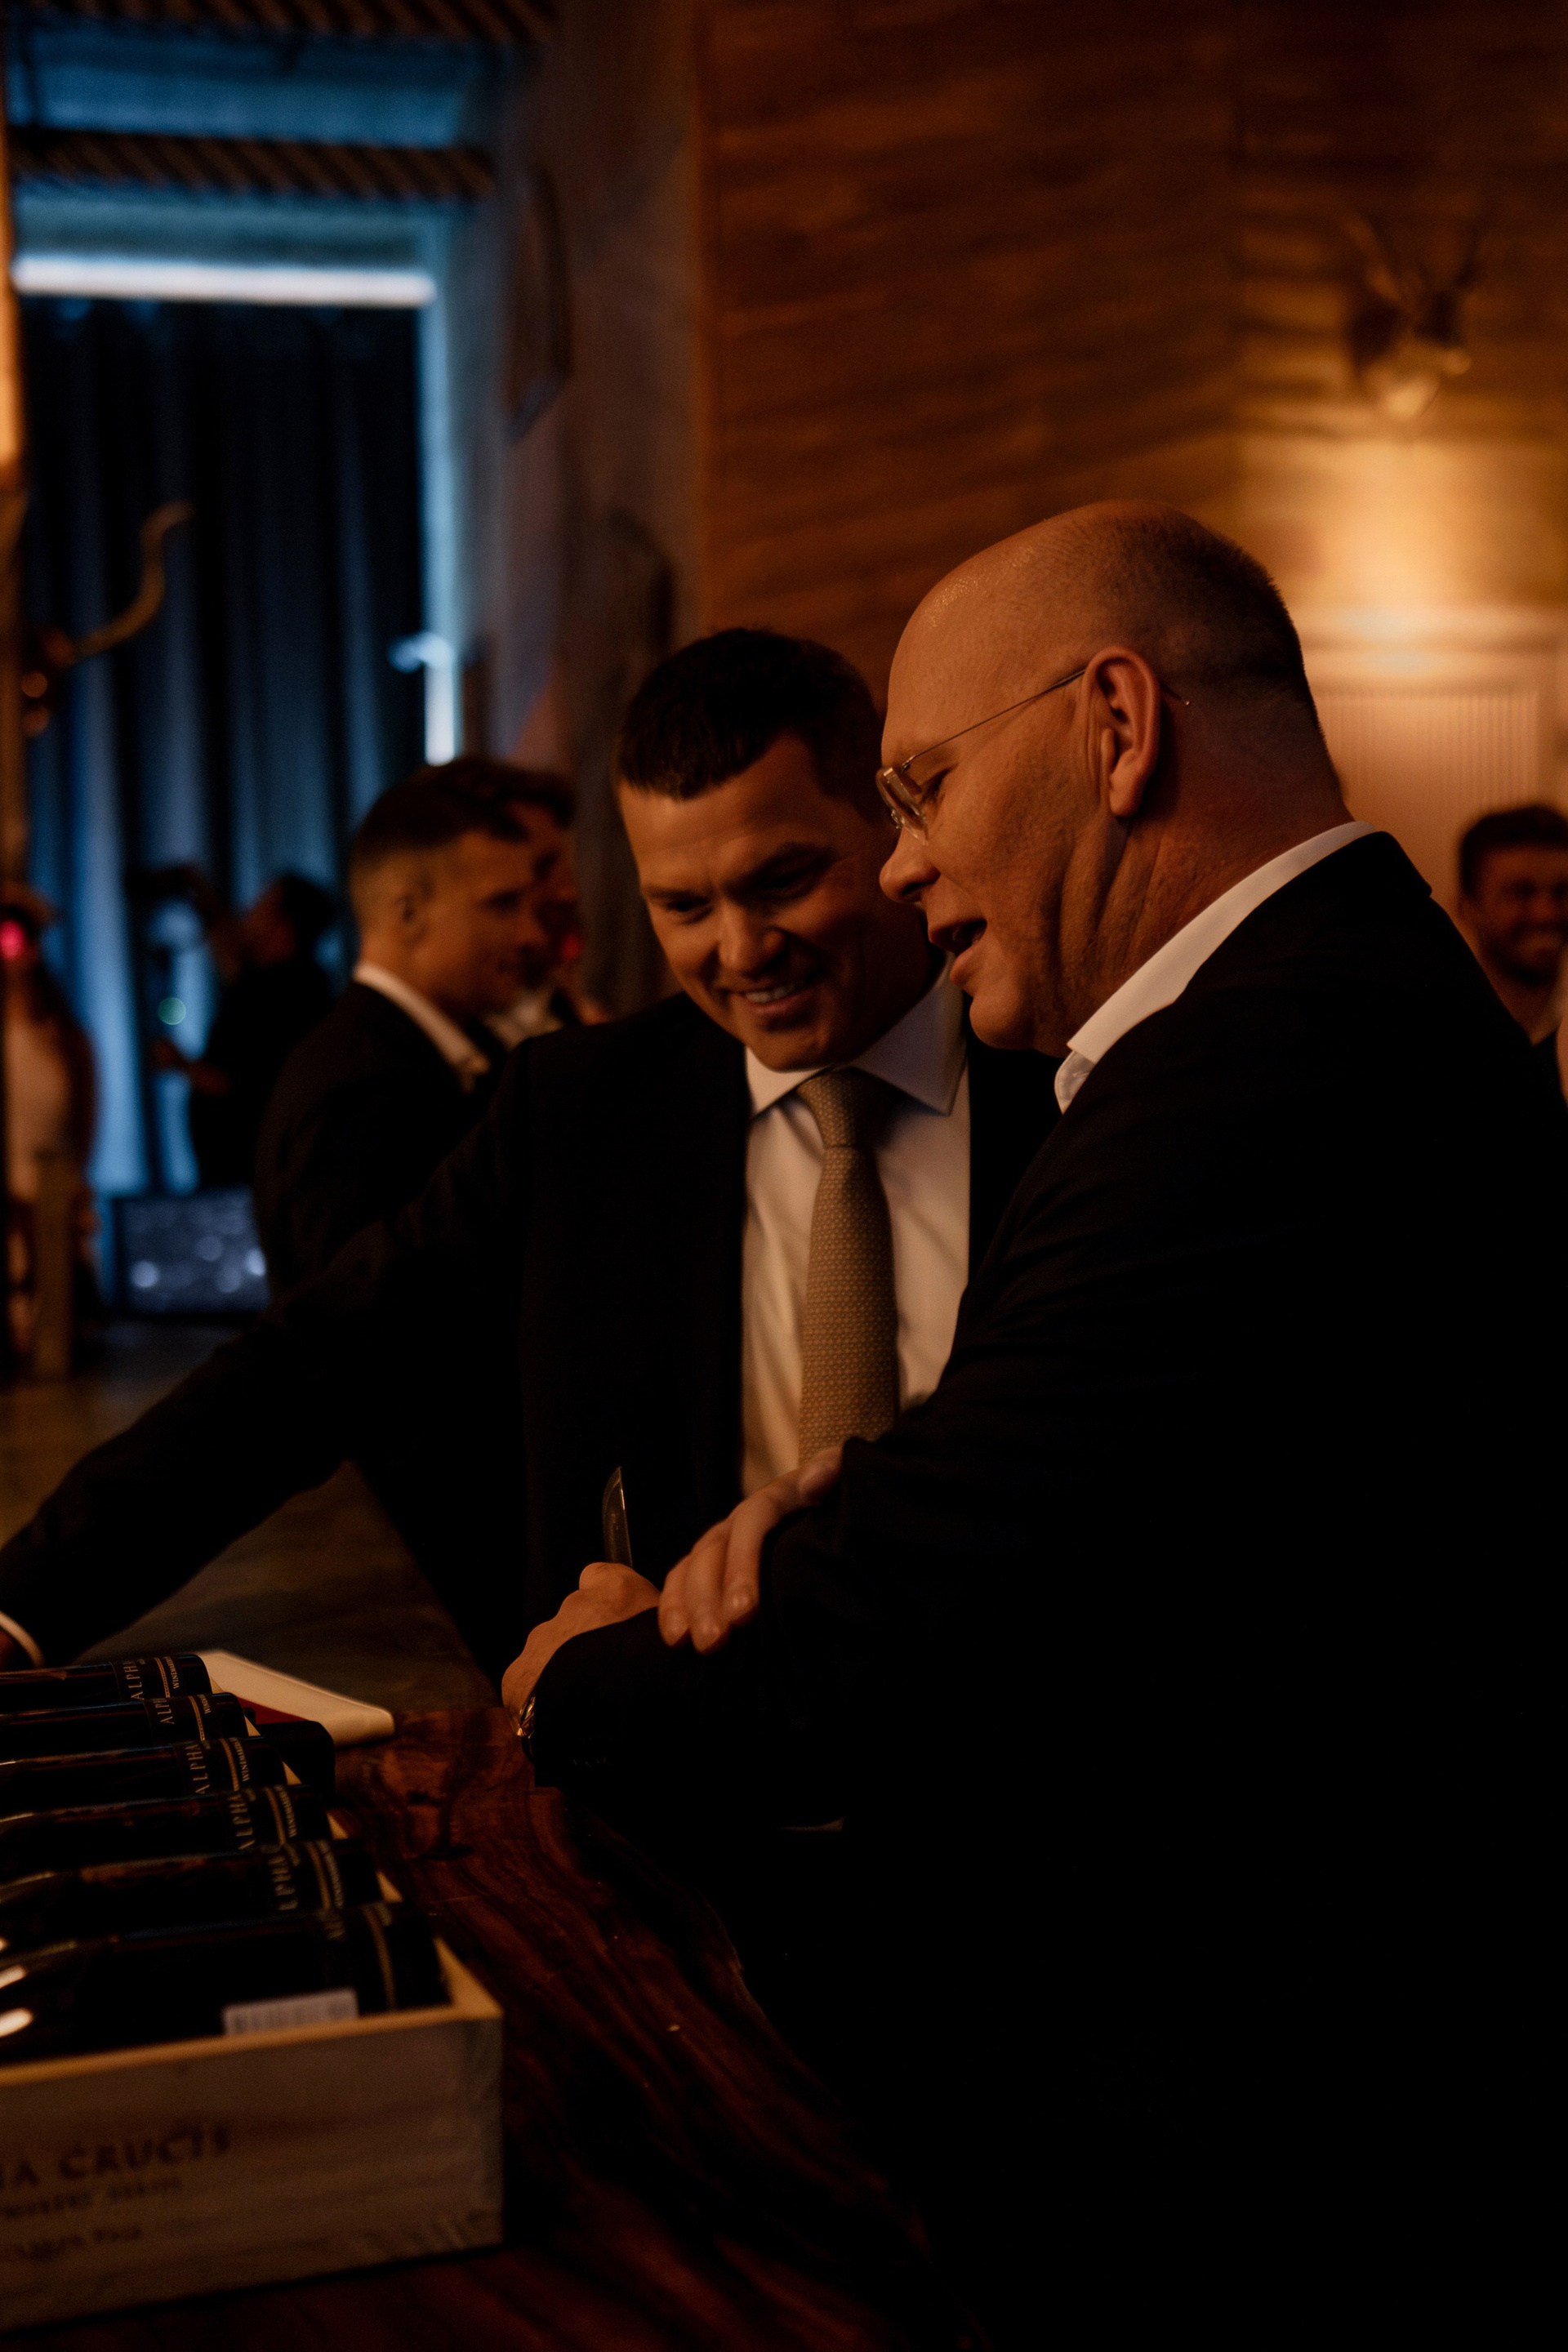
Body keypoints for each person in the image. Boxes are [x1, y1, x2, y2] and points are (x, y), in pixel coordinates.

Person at [497, 507, 1566, 2340]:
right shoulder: (1306, 1004)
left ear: (1117, 727)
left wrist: (578, 1676)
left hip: (1275, 2140)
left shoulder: (1250, 1069)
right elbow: (1090, 1503)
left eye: (919, 788)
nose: (901, 863)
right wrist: (876, 1501)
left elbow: (915, 1624)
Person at [0, 629, 1058, 1707]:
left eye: (781, 881)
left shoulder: (1070, 1081)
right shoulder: (579, 1110)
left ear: (891, 828)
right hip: (672, 1768)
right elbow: (309, 1367)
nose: (741, 952)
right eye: (684, 906)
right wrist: (23, 1604)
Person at [252, 772, 546, 1295]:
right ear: (407, 911)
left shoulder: (458, 1050)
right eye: (502, 904)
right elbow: (357, 1321)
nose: (530, 934)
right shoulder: (355, 1091)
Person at [150, 869, 336, 1187]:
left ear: (284, 924)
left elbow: (249, 1085)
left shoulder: (289, 994)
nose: (247, 913)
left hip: (250, 1175)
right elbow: (229, 950)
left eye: (262, 906)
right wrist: (197, 890)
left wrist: (183, 1065)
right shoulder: (271, 982)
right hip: (246, 1174)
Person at [1, 884, 99, 1361]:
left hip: (53, 1186)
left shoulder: (64, 1035)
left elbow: (85, 1115)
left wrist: (76, 1183)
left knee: (54, 1329)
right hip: (8, 1189)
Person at [1455, 800, 1568, 1094]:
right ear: (1468, 907)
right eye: (1521, 892)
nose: (1546, 914)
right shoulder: (1429, 1027)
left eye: (1562, 891)